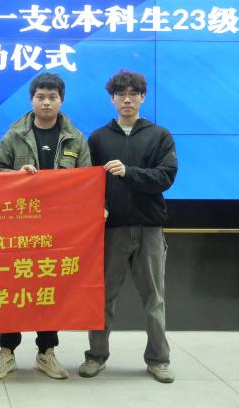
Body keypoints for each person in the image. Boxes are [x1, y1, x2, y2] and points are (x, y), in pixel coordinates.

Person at [0, 72, 91, 380]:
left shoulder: (75, 138)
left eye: (52, 97)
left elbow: (86, 179)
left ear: (61, 100)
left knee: (49, 287)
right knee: (12, 286)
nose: (46, 102)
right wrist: (17, 174)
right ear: (31, 100)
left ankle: (46, 352)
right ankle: (6, 350)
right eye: (40, 97)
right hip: (18, 226)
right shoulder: (14, 135)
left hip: (59, 229)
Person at [80, 70, 178, 384]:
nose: (127, 99)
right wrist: (97, 206)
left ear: (142, 97)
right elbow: (87, 181)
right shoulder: (98, 138)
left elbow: (165, 177)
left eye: (133, 94)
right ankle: (96, 356)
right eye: (120, 94)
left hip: (149, 229)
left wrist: (128, 172)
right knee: (103, 297)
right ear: (112, 99)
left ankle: (159, 360)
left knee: (154, 299)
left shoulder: (159, 135)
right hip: (112, 230)